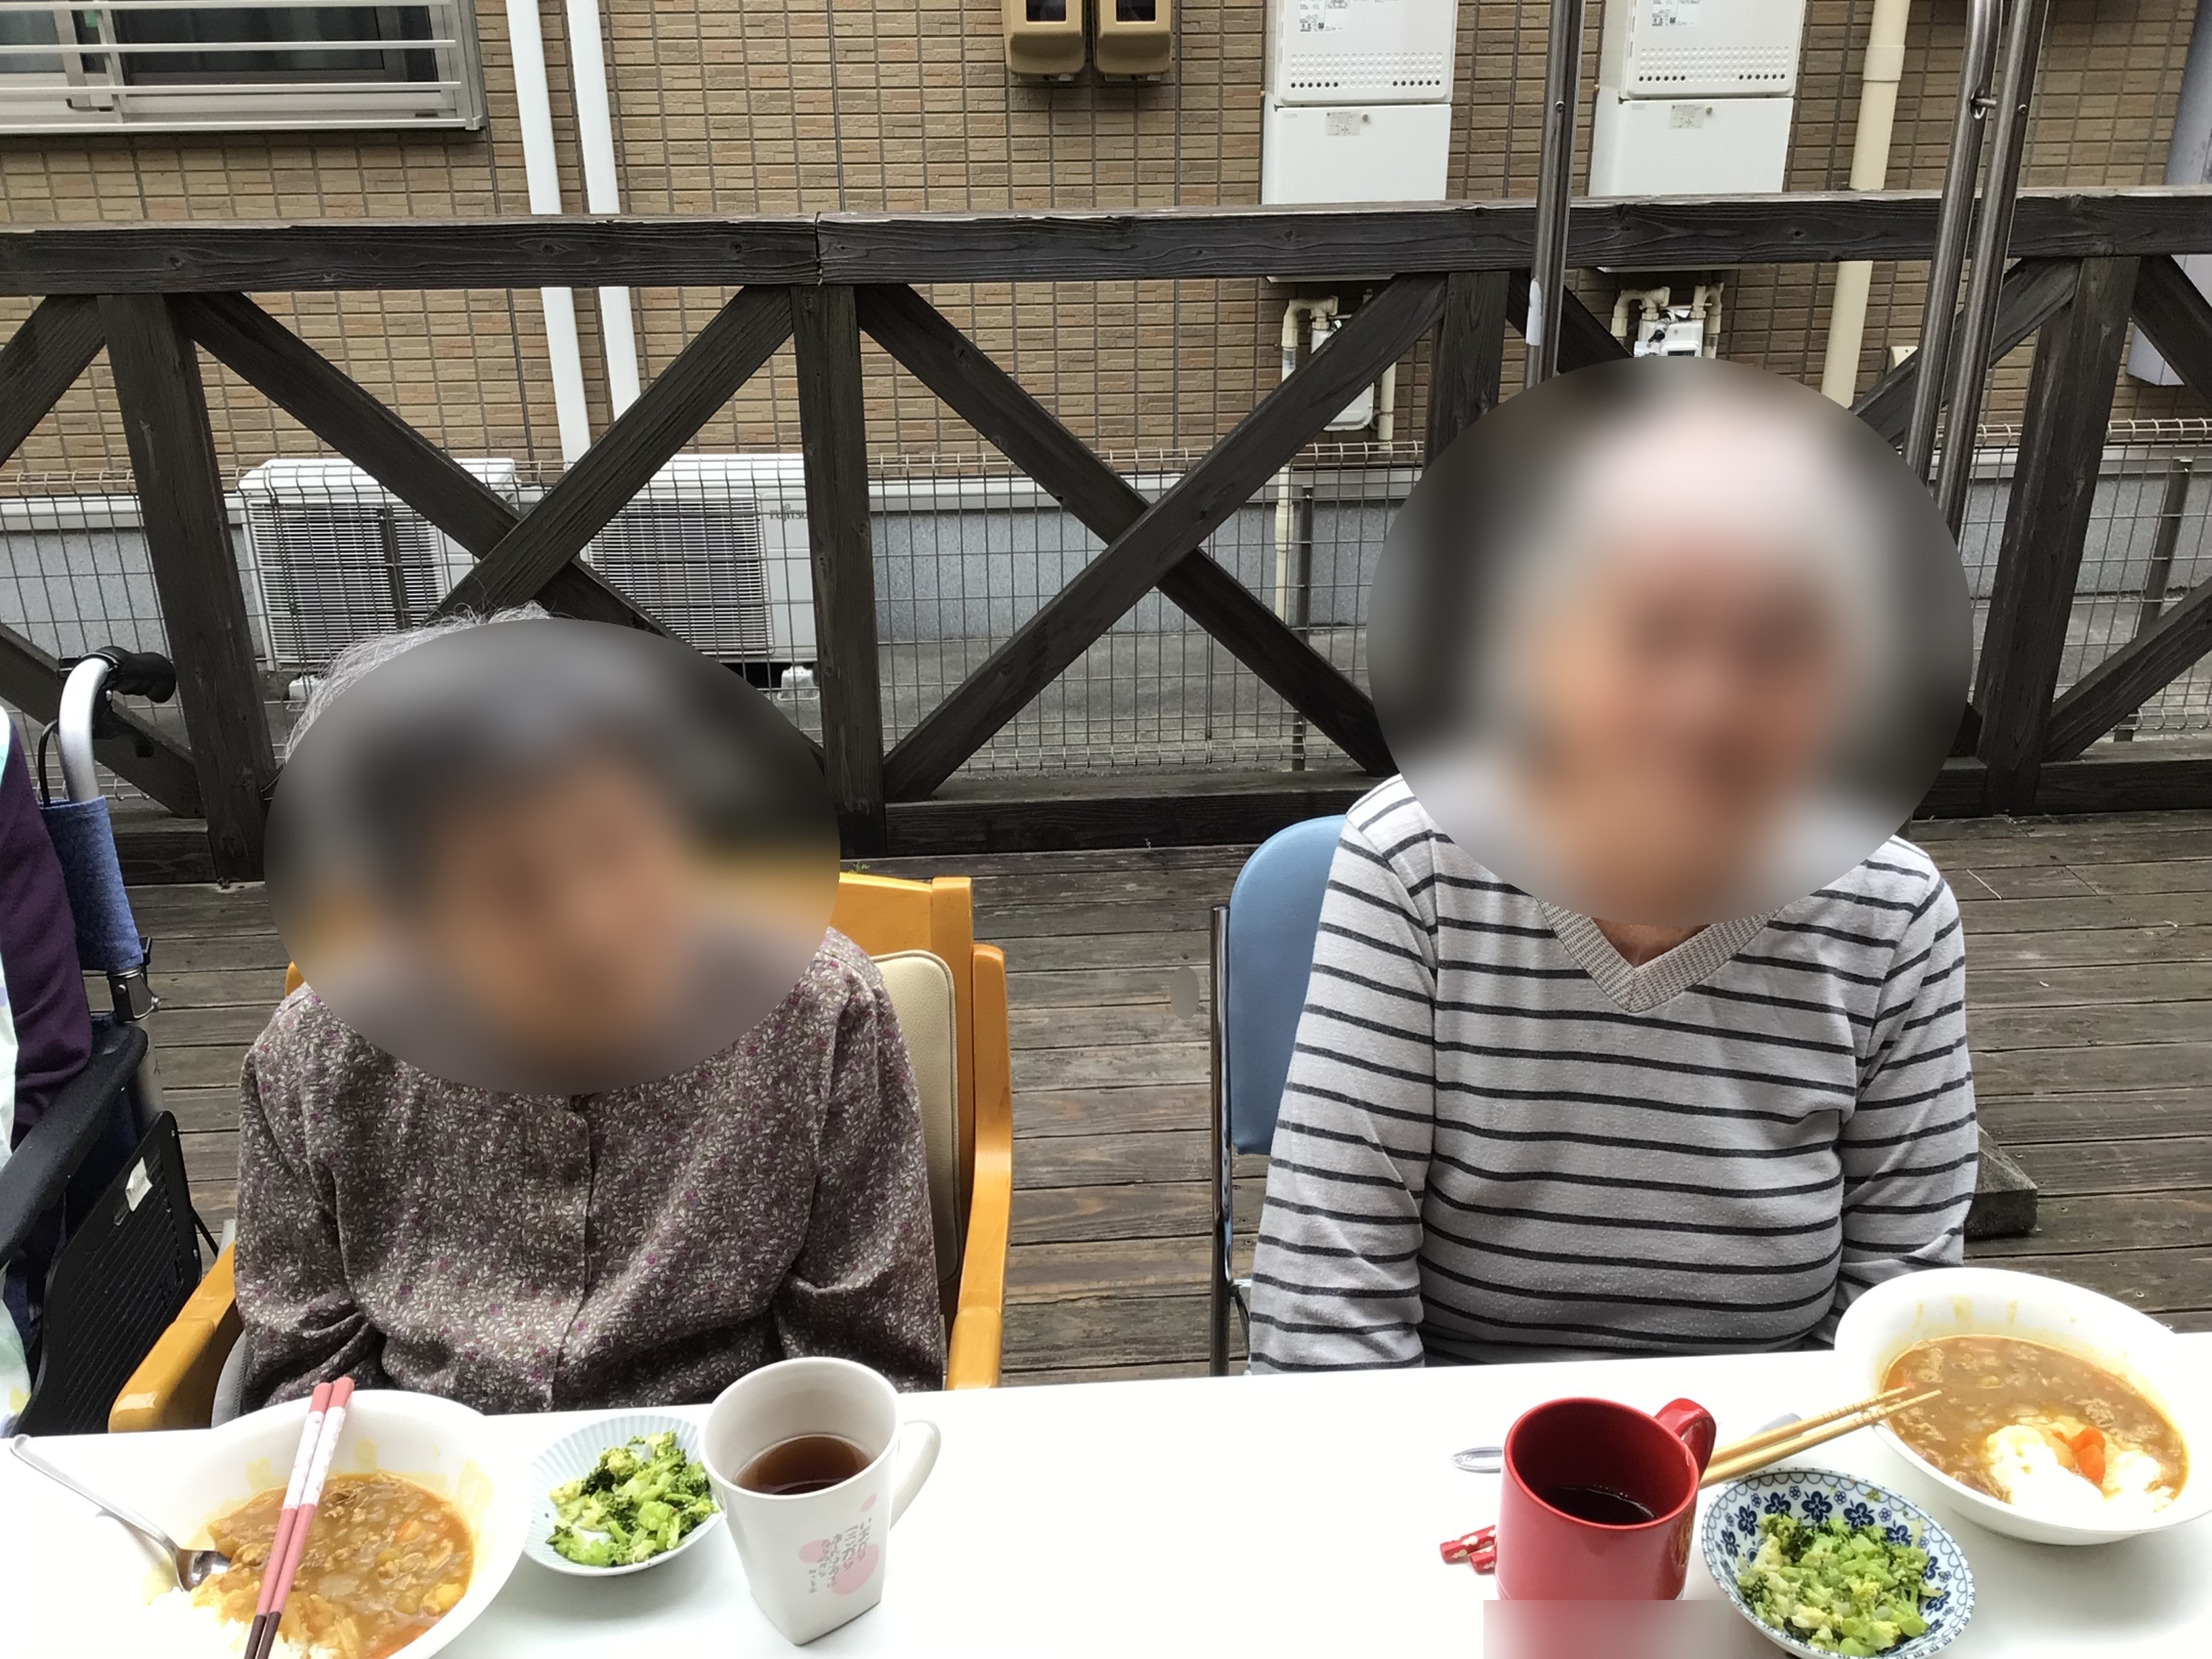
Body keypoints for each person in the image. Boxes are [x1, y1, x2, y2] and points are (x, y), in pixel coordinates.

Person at [1246, 385, 1978, 1374]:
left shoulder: (1895, 914)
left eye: (1776, 647)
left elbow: (1903, 1319)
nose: (1706, 707)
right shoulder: (1416, 866)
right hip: (1453, 1440)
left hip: (1769, 1444)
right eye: (1649, 633)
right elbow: (1327, 1312)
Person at [234, 613, 944, 1412]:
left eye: (617, 843)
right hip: (433, 1467)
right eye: (511, 887)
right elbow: (306, 1380)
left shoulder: (812, 1010)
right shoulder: (314, 1059)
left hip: (726, 1458)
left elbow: (865, 1370)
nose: (591, 929)